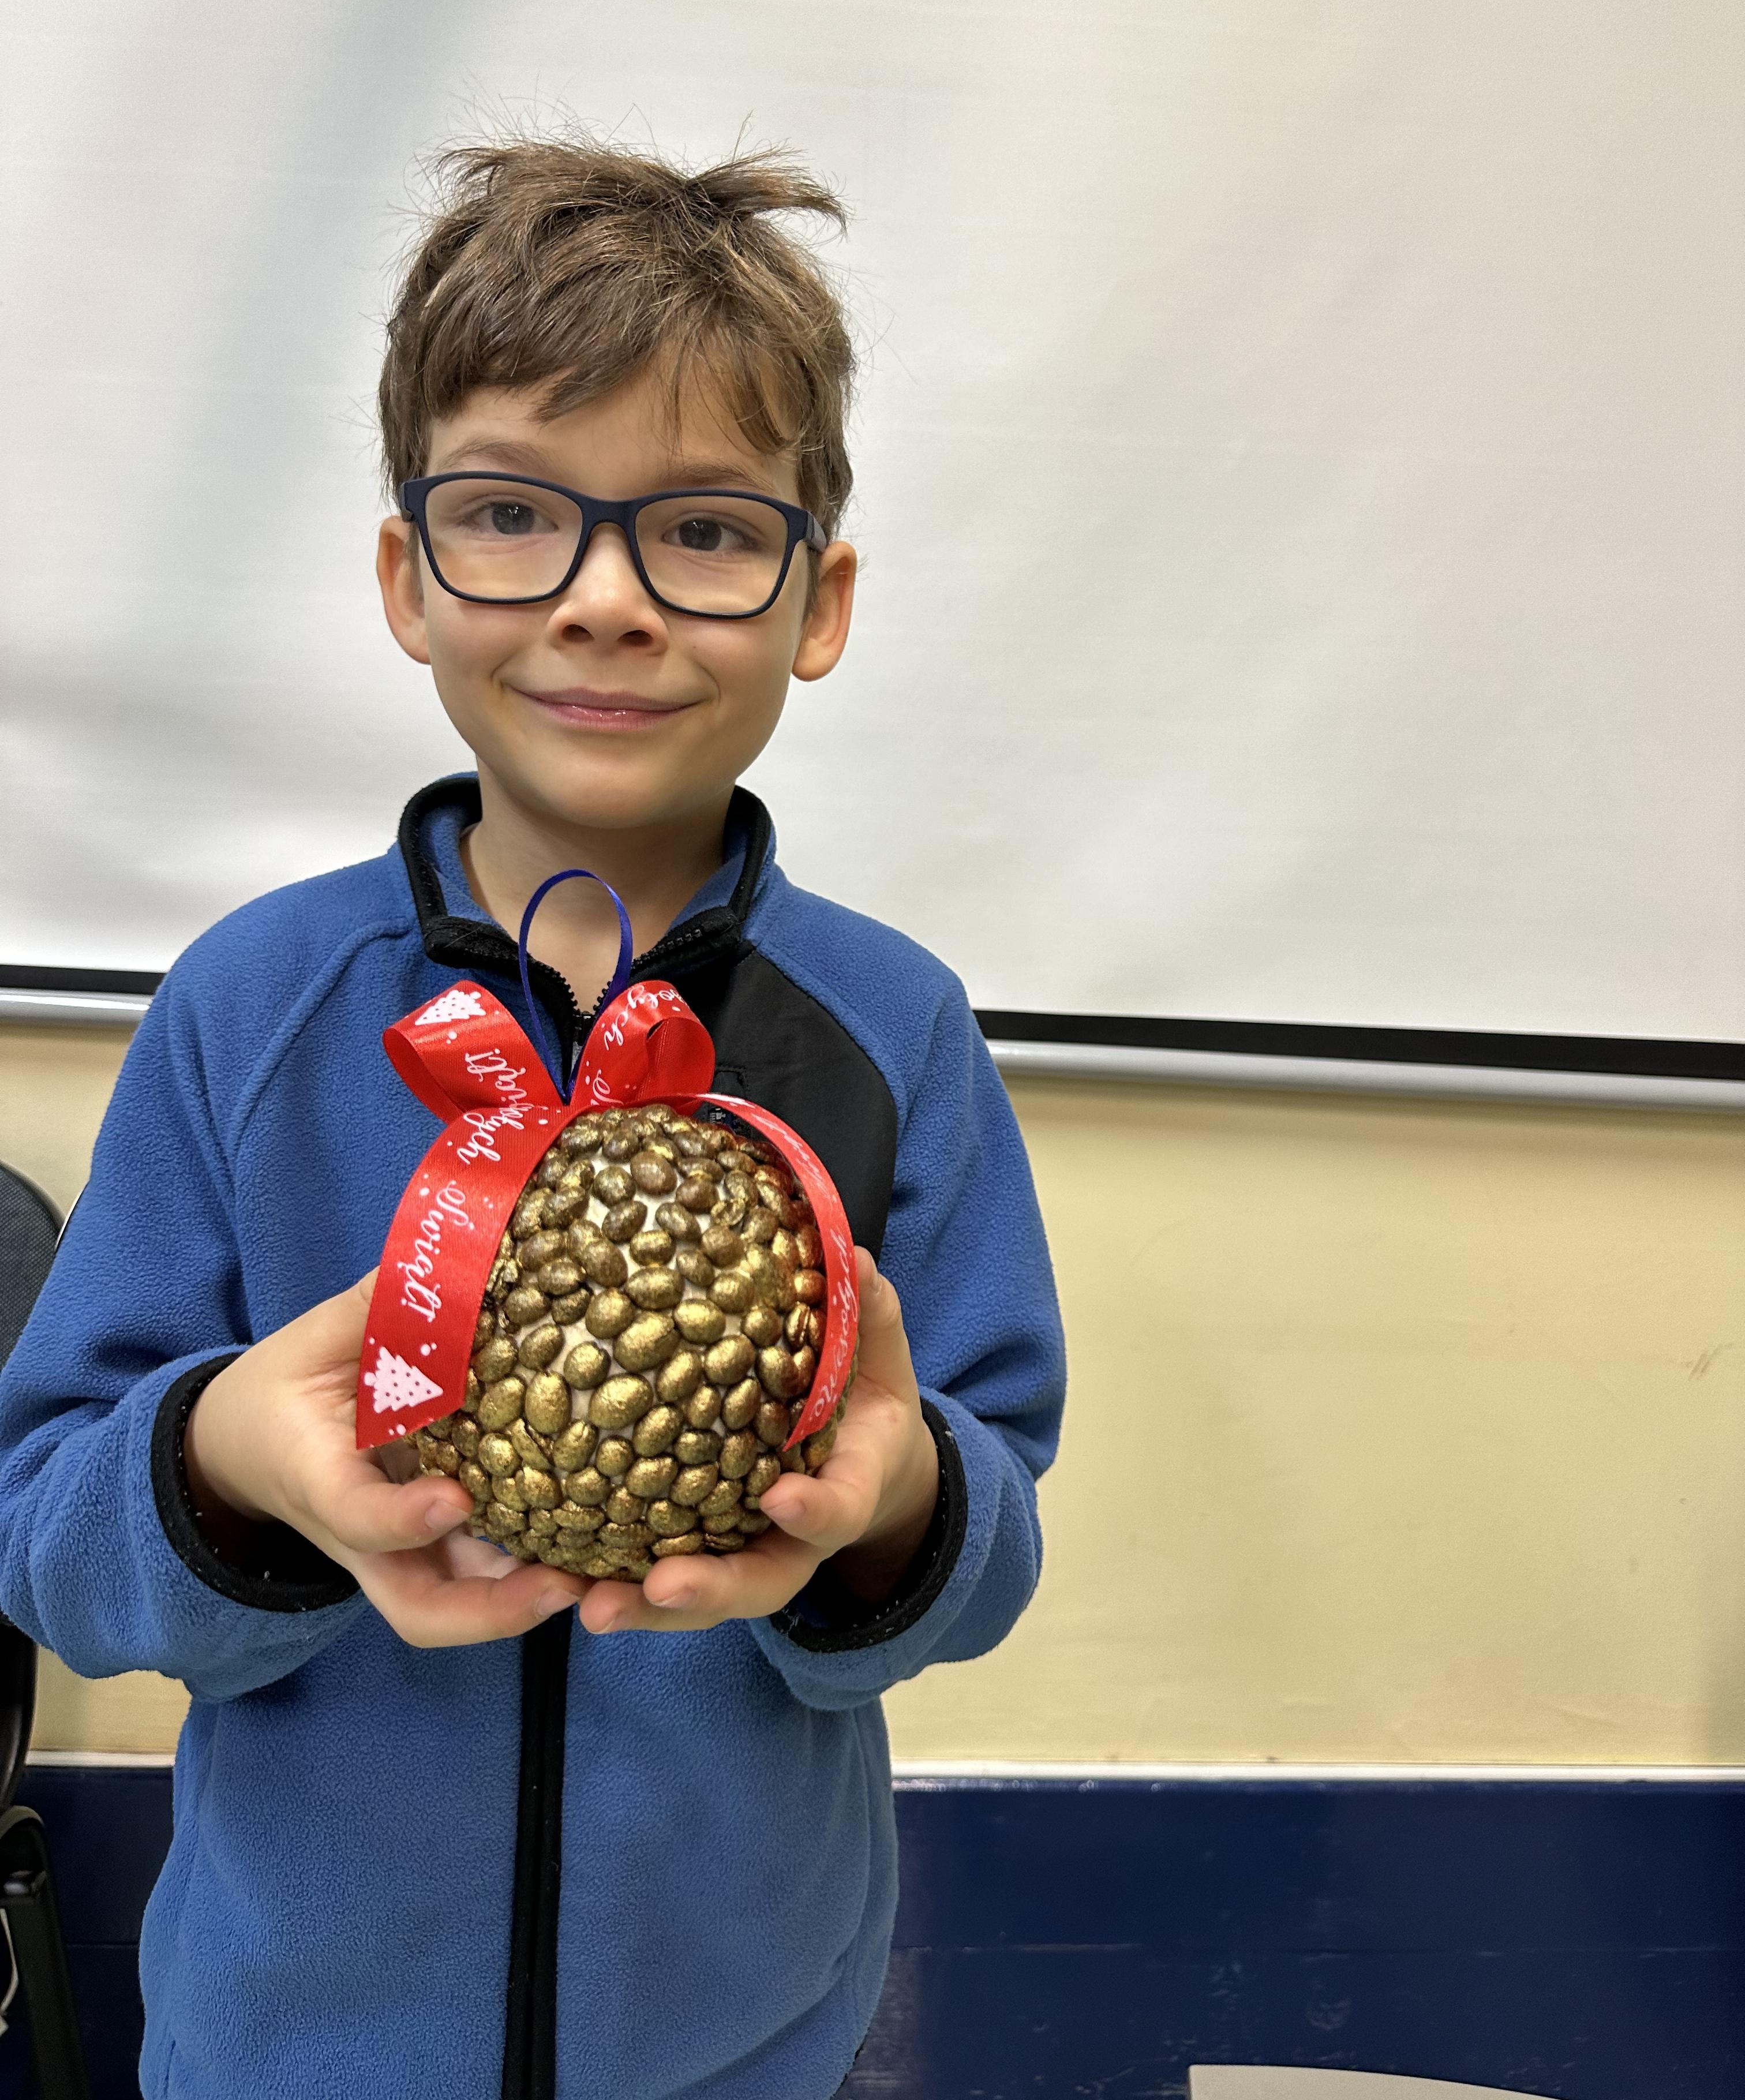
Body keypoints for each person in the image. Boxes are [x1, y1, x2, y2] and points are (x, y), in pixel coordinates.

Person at [0, 138, 1066, 2100]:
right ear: (408, 578)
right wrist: (230, 1459)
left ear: (819, 600)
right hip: (290, 2057)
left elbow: (991, 1533)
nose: (605, 603)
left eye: (706, 533)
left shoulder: (894, 1031)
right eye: (510, 516)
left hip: (744, 2052)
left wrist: (900, 1503)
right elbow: (44, 1534)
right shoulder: (251, 1006)